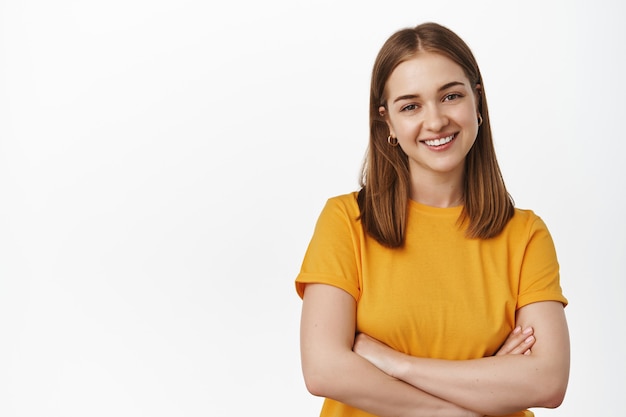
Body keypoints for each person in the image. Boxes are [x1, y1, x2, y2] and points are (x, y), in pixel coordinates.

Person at [295, 22, 570, 417]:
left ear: (478, 103)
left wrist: (394, 363)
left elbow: (547, 381)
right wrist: (474, 392)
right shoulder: (346, 221)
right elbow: (324, 370)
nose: (436, 120)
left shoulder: (525, 234)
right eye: (411, 105)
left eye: (451, 96)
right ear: (387, 121)